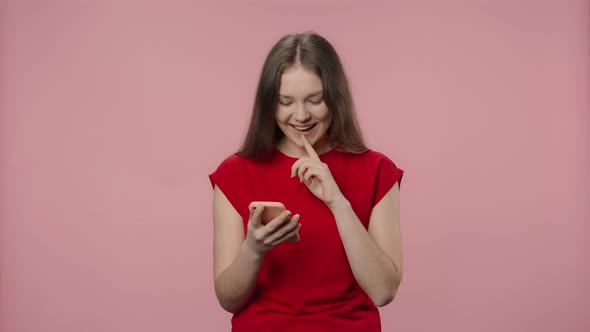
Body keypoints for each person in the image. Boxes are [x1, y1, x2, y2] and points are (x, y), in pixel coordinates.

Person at [208, 31, 405, 332]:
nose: (301, 116)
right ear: (268, 104)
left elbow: (383, 291)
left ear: (335, 97)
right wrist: (253, 249)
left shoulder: (377, 170)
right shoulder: (234, 173)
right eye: (285, 102)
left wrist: (338, 202)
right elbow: (228, 300)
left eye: (315, 100)